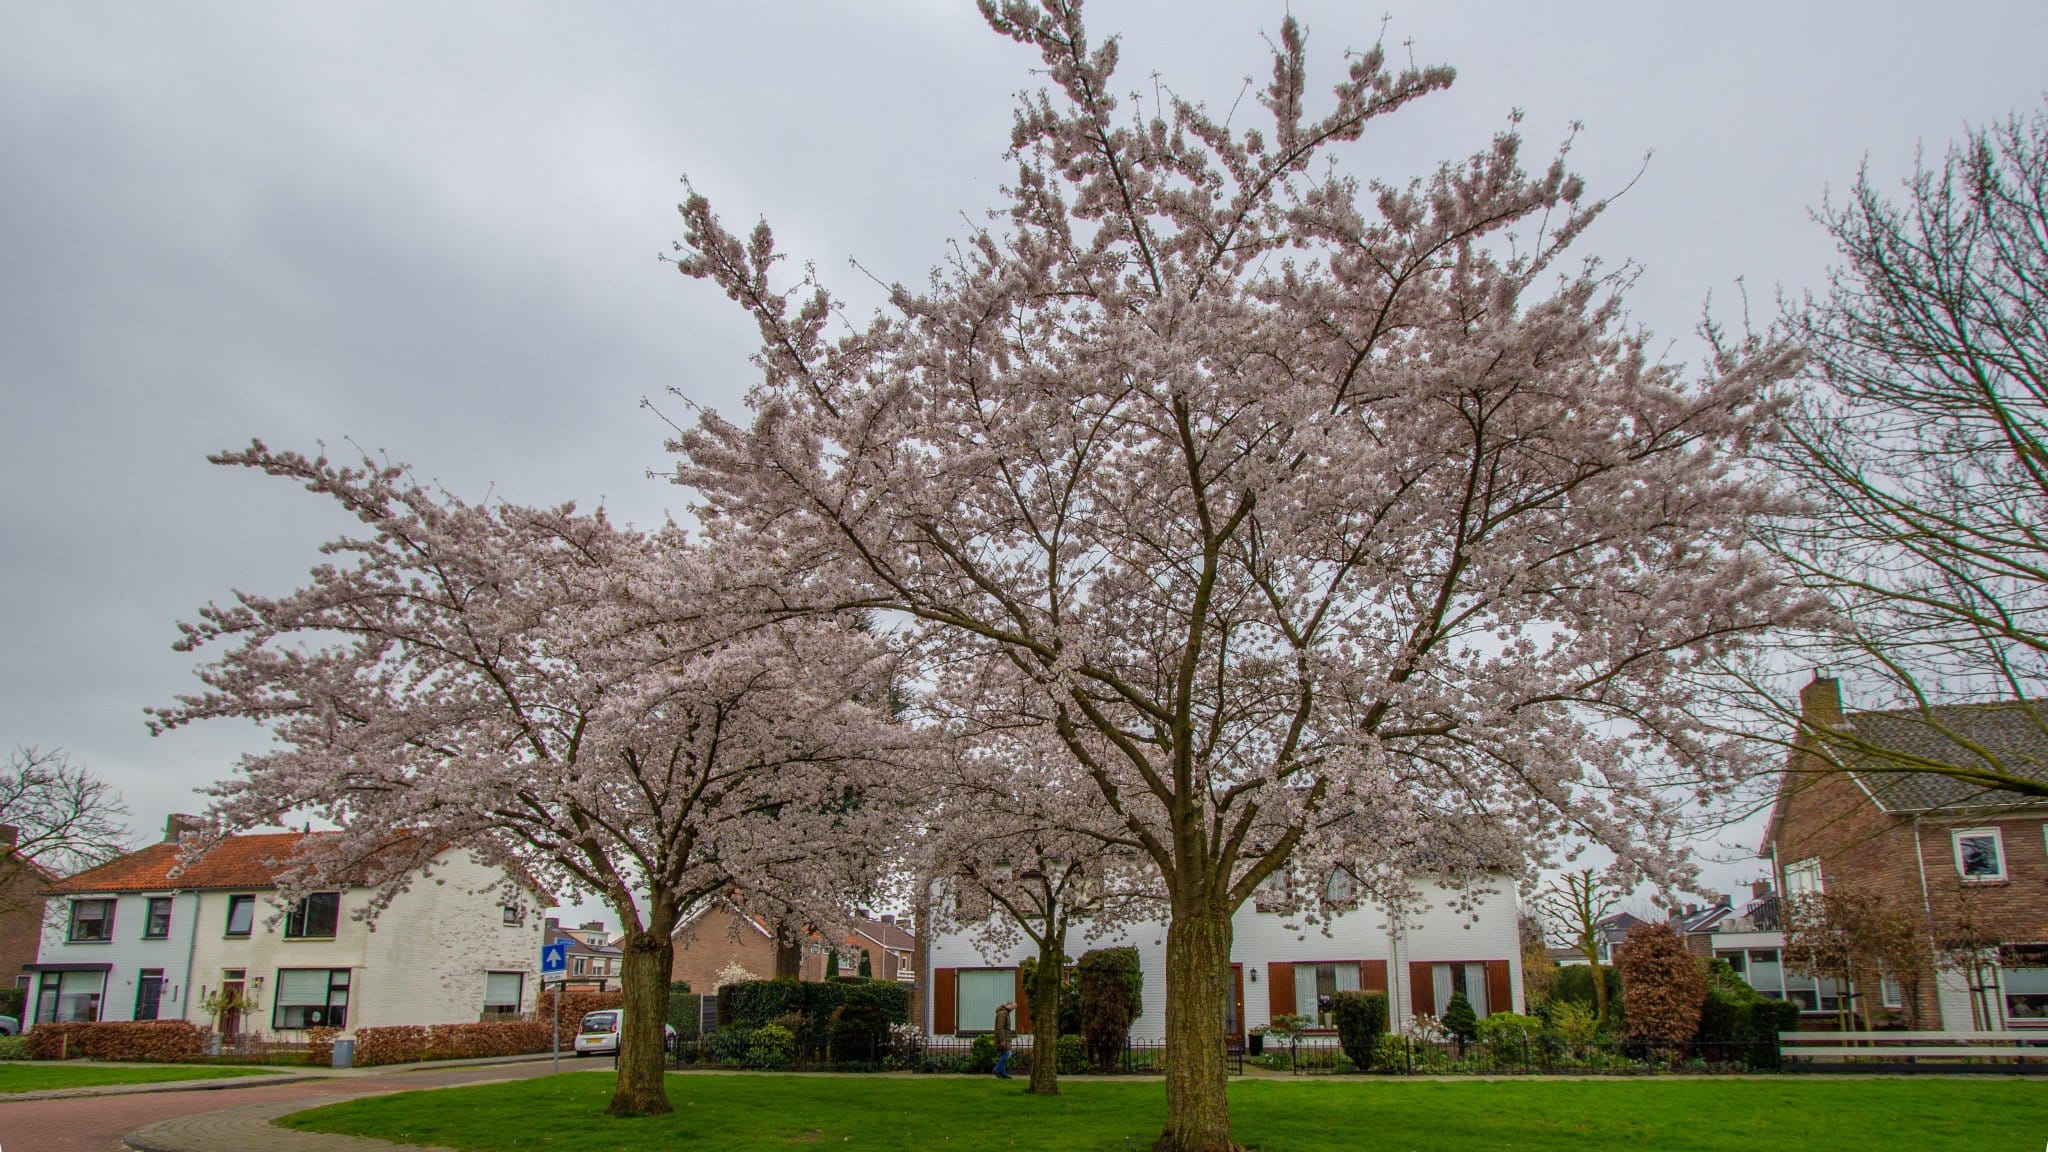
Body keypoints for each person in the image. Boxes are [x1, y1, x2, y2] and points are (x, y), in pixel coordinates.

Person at [992, 1000, 1015, 1079]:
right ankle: (997, 1069)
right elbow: (1000, 1027)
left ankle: (1003, 1074)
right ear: (1008, 1004)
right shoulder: (1003, 1013)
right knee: (1007, 1054)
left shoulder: (1006, 1013)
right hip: (1003, 1038)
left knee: (1004, 1054)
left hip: (1005, 1038)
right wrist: (1002, 1040)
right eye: (1013, 1007)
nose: (1013, 1009)